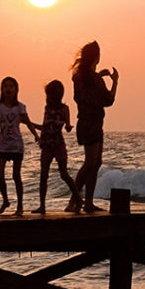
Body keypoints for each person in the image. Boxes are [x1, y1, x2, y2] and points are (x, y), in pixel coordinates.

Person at [69, 41, 118, 213]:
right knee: (91, 162)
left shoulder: (80, 77)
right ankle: (74, 201)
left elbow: (87, 93)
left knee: (96, 163)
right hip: (92, 124)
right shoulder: (93, 79)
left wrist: (99, 75)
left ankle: (87, 202)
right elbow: (108, 100)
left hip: (87, 123)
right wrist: (115, 82)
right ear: (96, 56)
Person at [0, 77, 39, 216]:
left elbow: (28, 122)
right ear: (2, 90)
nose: (8, 89)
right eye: (5, 86)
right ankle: (5, 200)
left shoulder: (20, 107)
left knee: (16, 176)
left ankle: (20, 206)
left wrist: (36, 135)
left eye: (11, 86)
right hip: (2, 145)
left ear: (16, 90)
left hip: (16, 145)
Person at [32, 80, 81, 214]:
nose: (48, 97)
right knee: (43, 175)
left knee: (64, 174)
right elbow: (44, 127)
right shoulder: (47, 108)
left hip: (58, 144)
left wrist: (69, 126)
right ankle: (42, 206)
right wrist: (29, 124)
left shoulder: (64, 109)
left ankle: (78, 199)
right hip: (46, 145)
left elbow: (68, 126)